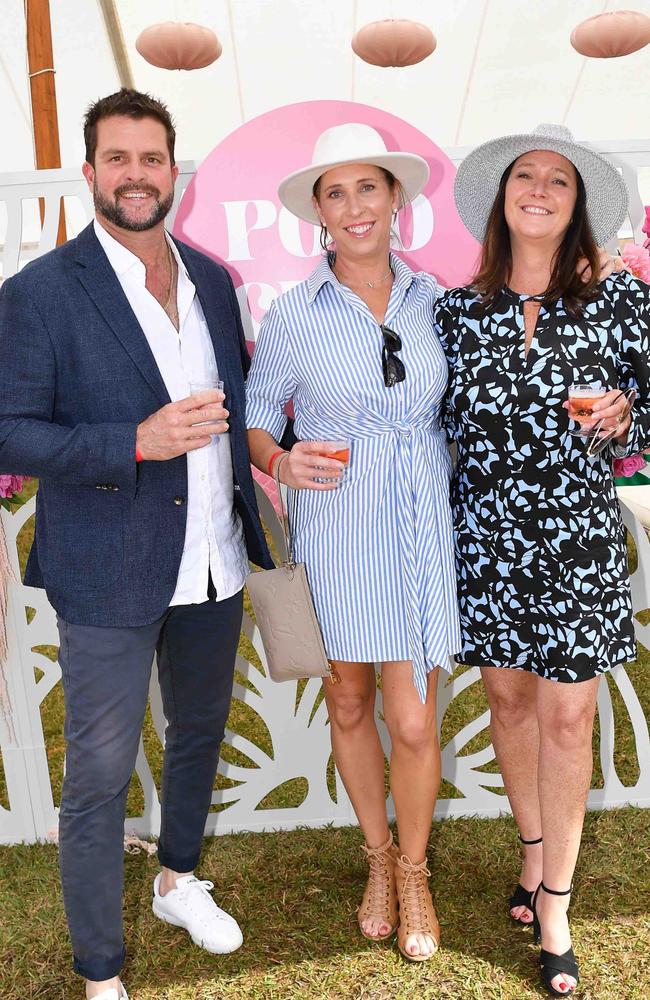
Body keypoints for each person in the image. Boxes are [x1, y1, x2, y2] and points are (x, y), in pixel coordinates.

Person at [0, 89, 273, 1000]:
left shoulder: (212, 280)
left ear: (173, 171)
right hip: (107, 566)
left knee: (197, 732)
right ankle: (100, 972)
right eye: (116, 159)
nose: (135, 175)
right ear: (90, 174)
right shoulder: (40, 293)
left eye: (150, 159)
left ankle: (176, 879)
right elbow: (9, 431)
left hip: (213, 559)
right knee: (100, 774)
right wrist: (133, 440)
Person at [436, 124, 649, 997]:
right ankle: (532, 858)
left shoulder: (623, 300)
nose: (539, 188)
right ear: (502, 198)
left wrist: (629, 417)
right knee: (509, 701)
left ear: (577, 204)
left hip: (576, 540)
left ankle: (555, 905)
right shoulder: (455, 311)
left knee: (568, 718)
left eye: (557, 180)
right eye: (525, 176)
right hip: (486, 539)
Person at [246, 123, 461, 962]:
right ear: (319, 215)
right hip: (337, 525)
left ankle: (415, 871)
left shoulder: (437, 300)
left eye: (367, 187)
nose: (354, 206)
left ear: (396, 197)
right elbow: (260, 418)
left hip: (421, 525)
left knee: (412, 721)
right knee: (347, 701)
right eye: (334, 193)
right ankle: (377, 860)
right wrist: (280, 459)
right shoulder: (295, 313)